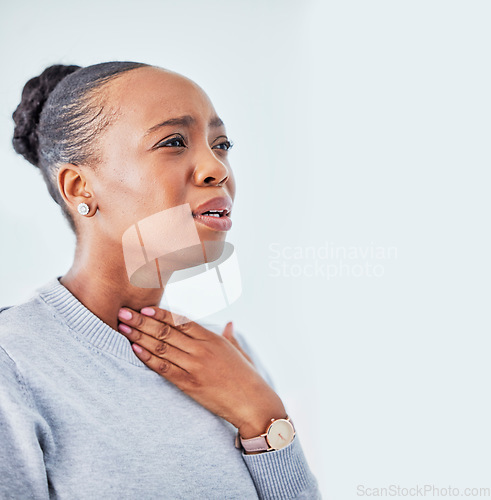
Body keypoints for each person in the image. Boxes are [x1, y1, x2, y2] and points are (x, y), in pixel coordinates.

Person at [0, 61, 321, 499]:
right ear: (79, 188)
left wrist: (263, 417)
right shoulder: (12, 364)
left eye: (221, 144)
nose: (217, 168)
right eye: (173, 142)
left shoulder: (229, 361)